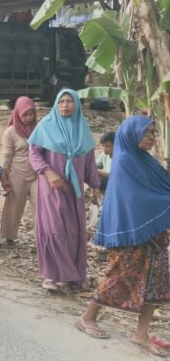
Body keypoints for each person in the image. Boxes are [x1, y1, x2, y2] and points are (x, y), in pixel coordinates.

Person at [76, 116, 170, 357]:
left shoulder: (145, 161)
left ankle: (141, 334)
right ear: (131, 134)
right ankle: (87, 317)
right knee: (119, 276)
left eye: (153, 133)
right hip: (130, 232)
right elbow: (136, 199)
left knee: (156, 283)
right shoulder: (126, 161)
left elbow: (162, 188)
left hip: (153, 233)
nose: (151, 137)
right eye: (146, 133)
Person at [29, 89, 101, 291]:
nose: (66, 105)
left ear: (77, 104)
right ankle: (51, 275)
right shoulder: (46, 126)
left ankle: (70, 276)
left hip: (73, 191)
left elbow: (89, 163)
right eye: (62, 101)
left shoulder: (82, 129)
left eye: (70, 101)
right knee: (53, 229)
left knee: (72, 231)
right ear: (56, 104)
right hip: (51, 190)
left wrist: (95, 185)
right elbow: (34, 154)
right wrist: (48, 172)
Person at [0, 96, 38, 244]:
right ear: (17, 113)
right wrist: (4, 175)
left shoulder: (38, 128)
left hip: (36, 173)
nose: (28, 118)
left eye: (31, 114)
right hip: (17, 172)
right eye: (25, 114)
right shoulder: (10, 132)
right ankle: (9, 236)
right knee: (15, 205)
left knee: (41, 204)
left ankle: (42, 236)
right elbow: (7, 156)